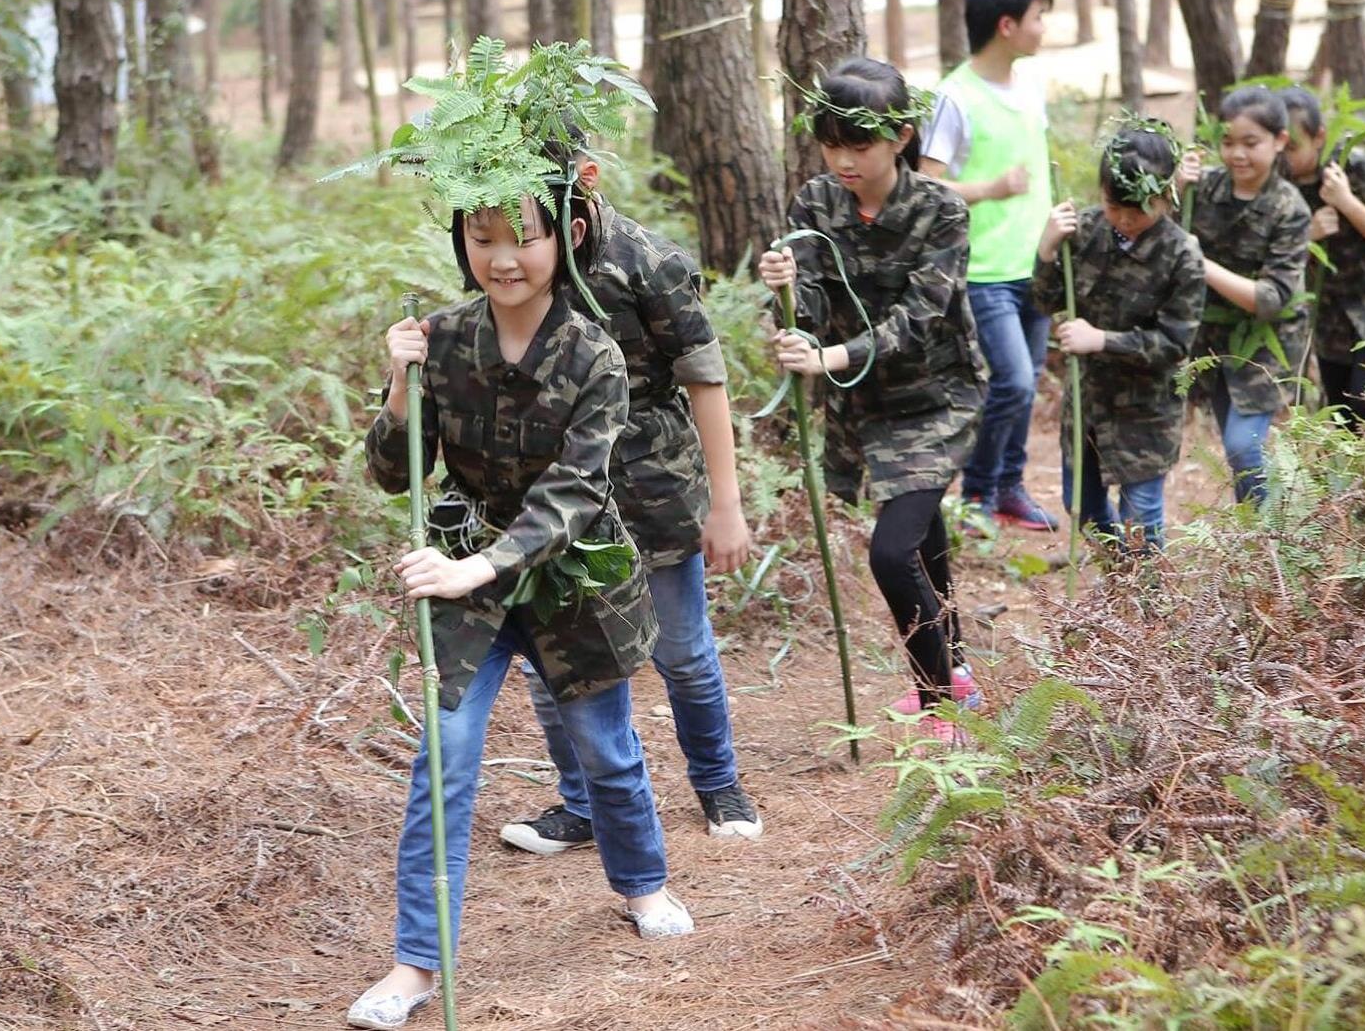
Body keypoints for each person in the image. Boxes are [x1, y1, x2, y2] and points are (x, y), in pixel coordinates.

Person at [349, 184, 692, 1030]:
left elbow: (574, 492)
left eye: (522, 237)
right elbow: (394, 474)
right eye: (482, 235)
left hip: (571, 578)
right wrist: (400, 383)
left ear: (567, 235)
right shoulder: (443, 336)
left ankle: (643, 881)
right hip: (463, 574)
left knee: (604, 747)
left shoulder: (594, 355)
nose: (502, 257)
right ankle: (415, 965)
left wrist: (484, 566)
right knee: (445, 757)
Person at [499, 144, 762, 858]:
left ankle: (718, 782)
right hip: (555, 479)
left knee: (682, 648)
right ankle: (583, 801)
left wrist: (726, 504)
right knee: (555, 657)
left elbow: (704, 379)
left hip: (652, 473)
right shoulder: (511, 256)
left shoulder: (647, 260)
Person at [759, 57, 988, 741]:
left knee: (892, 552)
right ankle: (961, 669)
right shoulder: (815, 202)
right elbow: (814, 304)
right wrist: (787, 291)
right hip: (866, 404)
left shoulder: (941, 209)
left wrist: (830, 357)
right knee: (924, 539)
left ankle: (939, 699)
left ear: (901, 136)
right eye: (831, 144)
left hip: (938, 396)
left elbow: (922, 315)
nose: (842, 160)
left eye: (857, 145)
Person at [919, 0, 1059, 531]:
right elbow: (926, 183)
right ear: (1006, 25)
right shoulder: (955, 97)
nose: (1043, 28)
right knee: (1014, 382)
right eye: (1039, 17)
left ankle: (1009, 488)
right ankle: (977, 494)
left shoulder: (1030, 86)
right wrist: (992, 189)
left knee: (1027, 381)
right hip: (984, 271)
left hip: (1039, 264)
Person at [1030, 122, 1206, 551]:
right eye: (1114, 206)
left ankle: (1145, 609)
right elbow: (1044, 301)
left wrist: (1103, 340)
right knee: (1085, 509)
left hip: (1146, 413)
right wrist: (1047, 250)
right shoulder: (1085, 230)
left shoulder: (1182, 255)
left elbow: (1174, 343)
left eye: (1139, 209)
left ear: (1167, 196)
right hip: (1087, 405)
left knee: (1140, 520)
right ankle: (1120, 597)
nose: (1126, 220)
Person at [1177, 86, 1312, 505]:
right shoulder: (1207, 188)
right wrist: (1175, 188)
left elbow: (1271, 298)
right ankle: (1257, 538)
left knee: (1241, 444)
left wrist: (1202, 264)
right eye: (1228, 142)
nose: (1237, 155)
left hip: (1267, 342)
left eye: (1251, 143)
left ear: (1280, 141)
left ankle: (1274, 539)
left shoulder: (1290, 208)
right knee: (1240, 453)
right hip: (1215, 342)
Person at [1278, 86, 1365, 421]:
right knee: (1343, 413)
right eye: (1279, 147)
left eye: (1293, 147)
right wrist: (1306, 235)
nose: (1284, 157)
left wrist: (1346, 202)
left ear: (1319, 137)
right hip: (1331, 316)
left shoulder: (1352, 166)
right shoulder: (1276, 181)